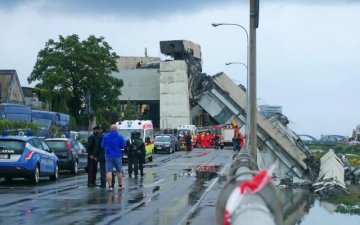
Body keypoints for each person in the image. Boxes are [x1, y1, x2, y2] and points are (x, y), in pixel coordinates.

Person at [101, 124, 126, 192]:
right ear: (116, 129)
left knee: (109, 171)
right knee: (119, 171)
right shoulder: (120, 136)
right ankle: (120, 186)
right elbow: (124, 146)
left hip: (108, 156)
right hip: (117, 155)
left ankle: (110, 187)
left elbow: (102, 146)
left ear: (110, 129)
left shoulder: (105, 136)